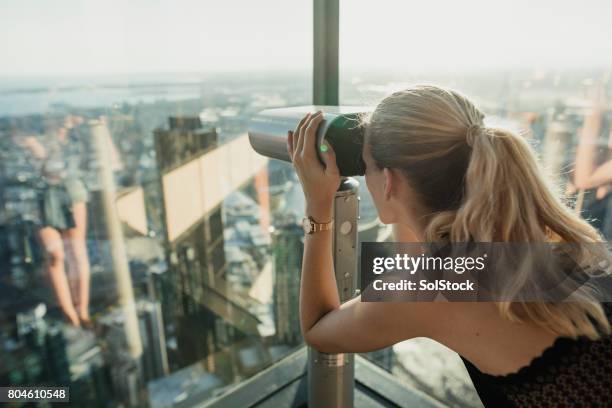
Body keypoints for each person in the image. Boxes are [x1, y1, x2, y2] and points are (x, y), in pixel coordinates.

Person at [287, 85, 611, 407]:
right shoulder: (540, 240)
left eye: (367, 164)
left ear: (389, 181)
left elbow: (318, 330)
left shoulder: (434, 286)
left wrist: (319, 206)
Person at [24, 116, 91, 327]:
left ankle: (83, 308)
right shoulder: (33, 128)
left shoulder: (75, 134)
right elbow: (44, 163)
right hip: (44, 195)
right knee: (55, 255)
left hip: (70, 189)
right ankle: (69, 310)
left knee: (77, 250)